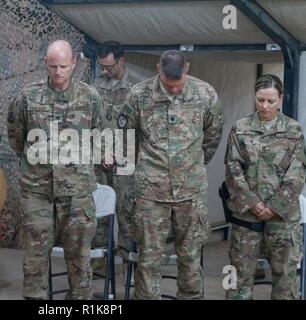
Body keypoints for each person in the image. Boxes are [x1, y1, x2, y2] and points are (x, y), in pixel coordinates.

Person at [120, 50, 224, 299]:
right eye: (169, 85)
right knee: (149, 258)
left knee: (190, 256)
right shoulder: (138, 96)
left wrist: (192, 164)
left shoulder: (205, 94)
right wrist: (147, 168)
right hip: (151, 194)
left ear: (187, 68)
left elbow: (213, 135)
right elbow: (126, 138)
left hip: (190, 192)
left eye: (178, 85)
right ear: (158, 69)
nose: (174, 90)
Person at [7, 40, 103, 300]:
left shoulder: (90, 97)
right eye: (52, 66)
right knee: (35, 256)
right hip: (37, 191)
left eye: (63, 66)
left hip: (77, 191)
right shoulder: (28, 96)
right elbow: (16, 137)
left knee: (79, 256)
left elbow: (100, 136)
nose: (58, 72)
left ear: (74, 63)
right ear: (45, 64)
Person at [225, 74, 305, 300]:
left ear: (280, 99)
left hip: (282, 220)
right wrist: (252, 202)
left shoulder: (293, 130)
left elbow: (297, 173)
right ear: (254, 97)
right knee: (235, 281)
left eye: (270, 100)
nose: (265, 105)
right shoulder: (240, 128)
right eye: (260, 100)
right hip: (246, 219)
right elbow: (232, 168)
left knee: (285, 284)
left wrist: (274, 207)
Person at [92, 41, 136, 277]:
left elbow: (139, 129)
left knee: (126, 212)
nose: (105, 71)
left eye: (109, 66)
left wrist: (117, 153)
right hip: (100, 158)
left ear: (121, 60)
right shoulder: (95, 86)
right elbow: (90, 123)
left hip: (125, 159)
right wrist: (100, 153)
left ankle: (129, 262)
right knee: (99, 212)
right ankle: (99, 261)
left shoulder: (136, 89)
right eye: (102, 67)